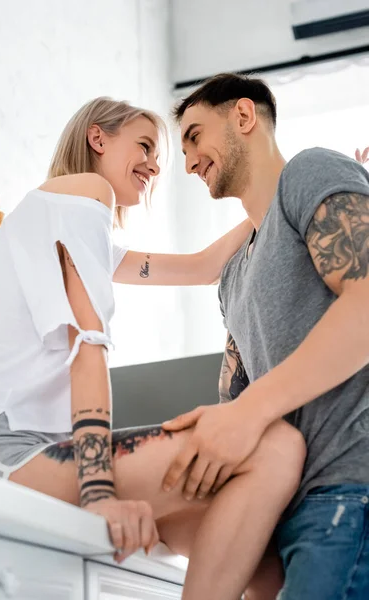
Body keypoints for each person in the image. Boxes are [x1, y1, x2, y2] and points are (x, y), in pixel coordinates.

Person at [0, 96, 306, 600]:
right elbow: (88, 344)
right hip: (3, 451)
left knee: (263, 564)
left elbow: (202, 267)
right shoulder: (86, 192)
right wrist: (99, 492)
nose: (153, 165)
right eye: (145, 145)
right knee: (276, 448)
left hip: (30, 451)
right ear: (98, 138)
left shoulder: (77, 223)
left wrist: (284, 186)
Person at [163, 72, 369, 599]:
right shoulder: (232, 277)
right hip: (293, 515)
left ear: (244, 116)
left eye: (194, 136)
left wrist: (248, 412)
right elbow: (236, 409)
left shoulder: (311, 171)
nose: (187, 161)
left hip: (351, 487)